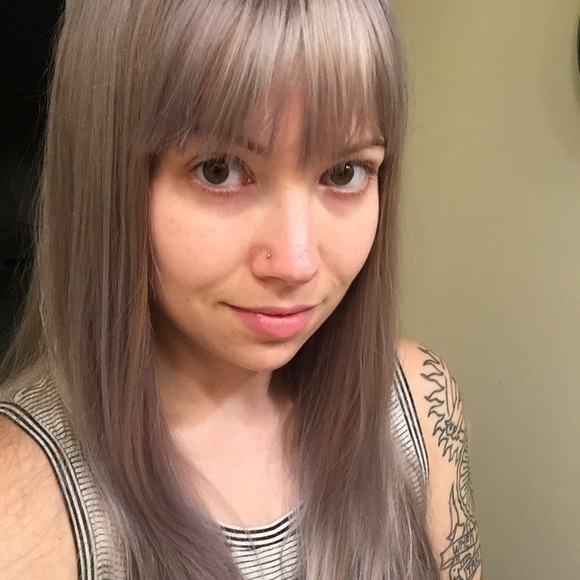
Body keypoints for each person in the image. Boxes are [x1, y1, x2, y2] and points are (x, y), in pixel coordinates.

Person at [0, 0, 482, 579]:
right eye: (220, 171)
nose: (296, 263)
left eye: (344, 172)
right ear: (106, 179)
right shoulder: (21, 507)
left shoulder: (419, 407)